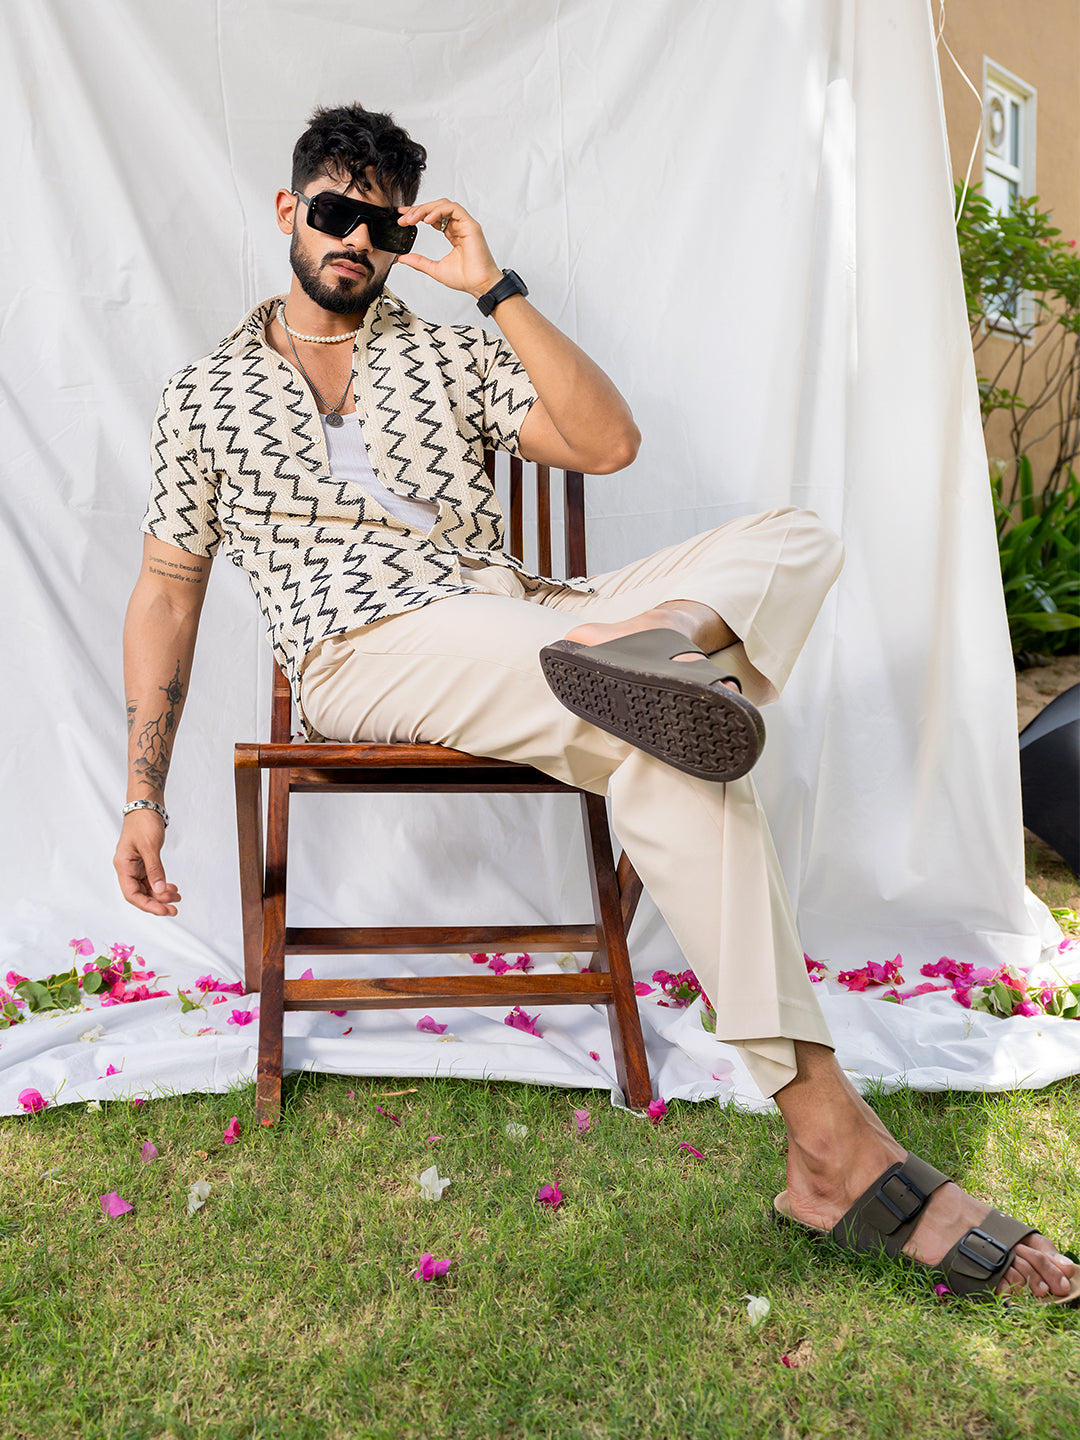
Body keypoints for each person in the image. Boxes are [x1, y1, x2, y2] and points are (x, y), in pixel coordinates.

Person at [114, 103, 1076, 1306]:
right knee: (657, 734)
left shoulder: (449, 352)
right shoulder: (202, 395)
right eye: (333, 211)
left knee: (793, 535)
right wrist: (142, 793)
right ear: (287, 211)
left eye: (380, 221)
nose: (354, 237)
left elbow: (608, 443)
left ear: (404, 232)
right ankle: (832, 1137)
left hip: (538, 614)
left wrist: (492, 285)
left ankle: (663, 649)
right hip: (367, 648)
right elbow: (166, 590)